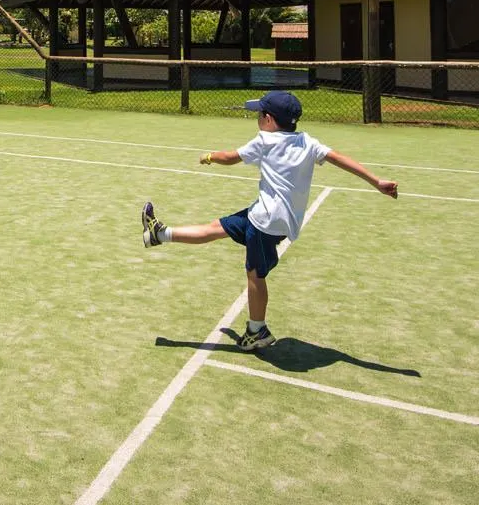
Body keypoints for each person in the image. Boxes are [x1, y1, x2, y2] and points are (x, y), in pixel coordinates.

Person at [140, 90, 398, 350]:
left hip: (264, 222)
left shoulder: (264, 140)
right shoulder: (307, 141)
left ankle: (257, 330)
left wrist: (209, 157)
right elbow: (339, 158)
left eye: (260, 114)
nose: (257, 117)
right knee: (217, 228)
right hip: (268, 219)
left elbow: (230, 158)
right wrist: (376, 181)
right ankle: (159, 234)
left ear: (269, 119)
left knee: (255, 275)